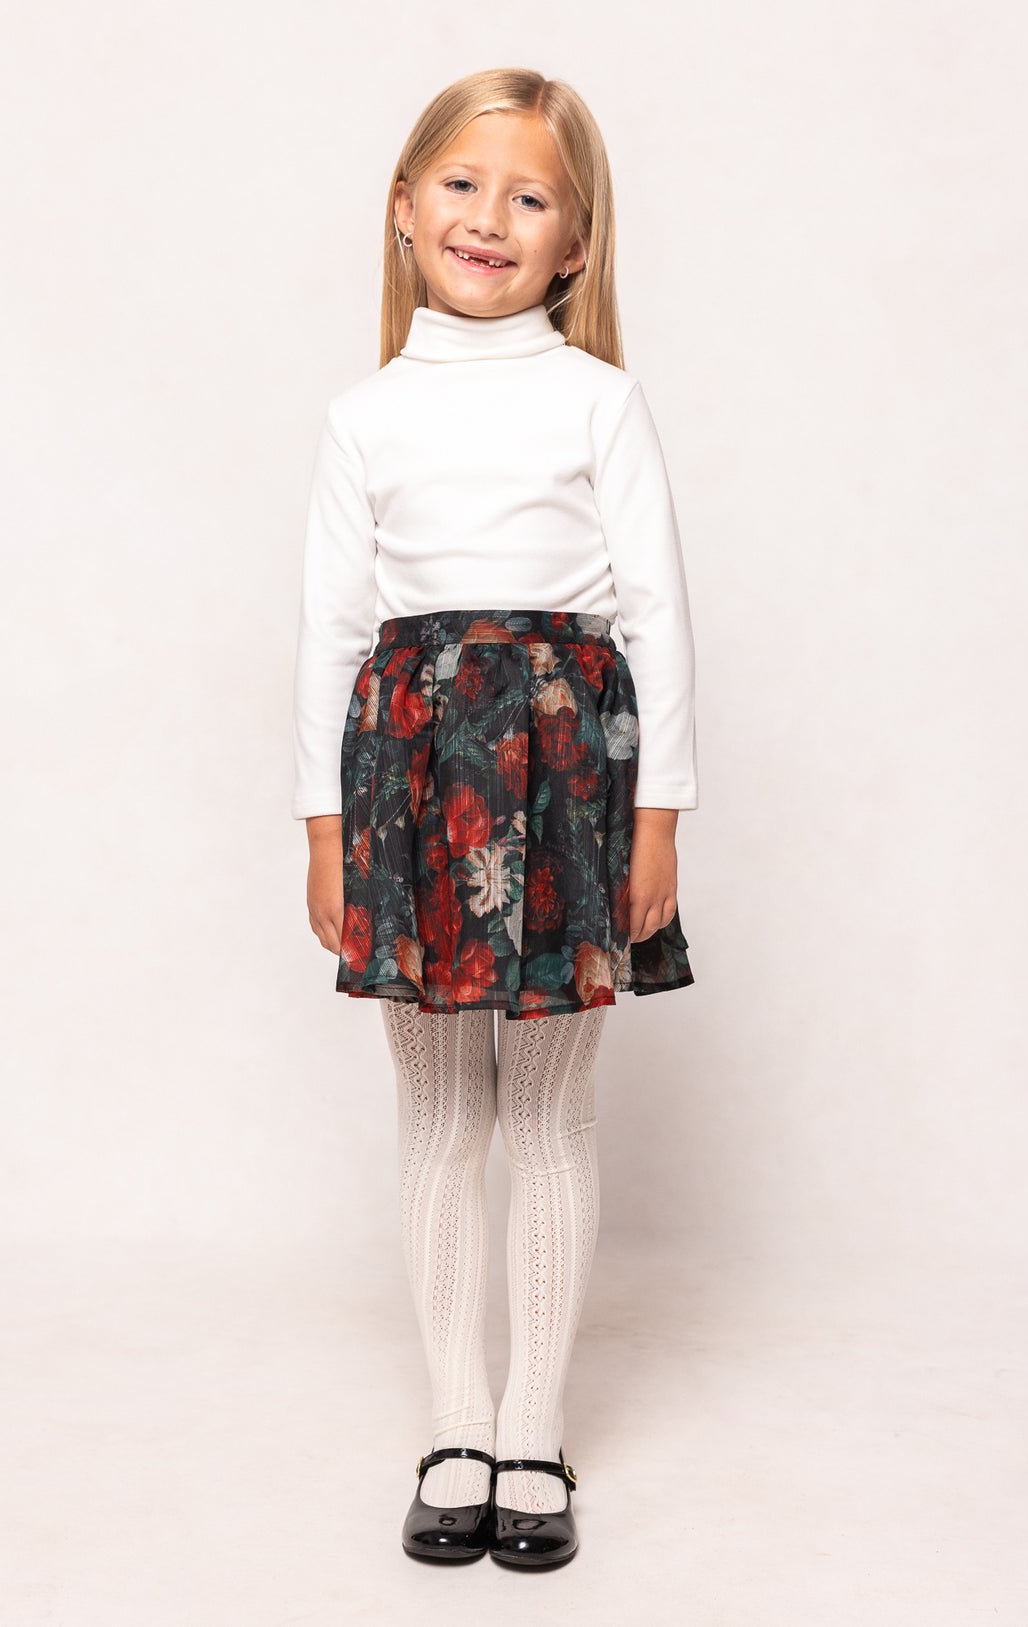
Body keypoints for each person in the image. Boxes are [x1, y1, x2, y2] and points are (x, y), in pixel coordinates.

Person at [291, 67, 698, 1570]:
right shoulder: (365, 417)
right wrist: (321, 829)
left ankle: (533, 1429)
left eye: (530, 198)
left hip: (566, 779)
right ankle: (455, 1423)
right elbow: (332, 633)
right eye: (462, 185)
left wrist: (661, 817)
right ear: (404, 208)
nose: (489, 218)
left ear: (575, 242)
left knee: (545, 1110)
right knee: (437, 1112)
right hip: (407, 782)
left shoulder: (599, 400)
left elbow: (657, 615)